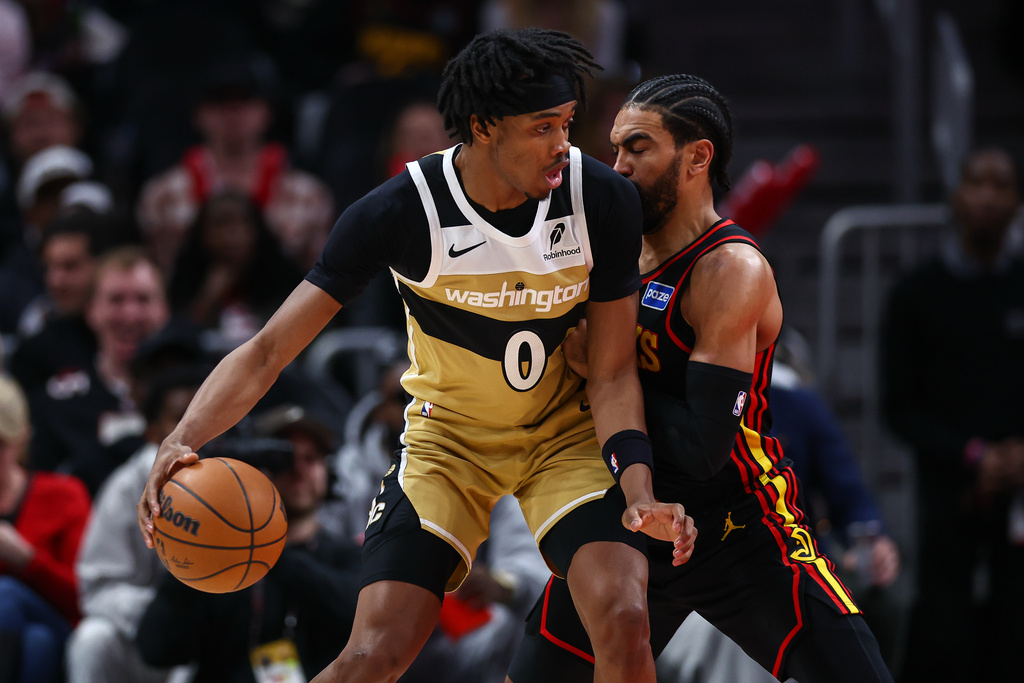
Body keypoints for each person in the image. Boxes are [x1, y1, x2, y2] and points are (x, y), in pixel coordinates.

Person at [137, 28, 695, 683]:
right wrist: (183, 436)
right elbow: (267, 352)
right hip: (449, 442)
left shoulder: (600, 198)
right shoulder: (402, 209)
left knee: (626, 618)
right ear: (484, 126)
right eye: (543, 127)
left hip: (563, 435)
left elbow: (611, 369)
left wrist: (637, 490)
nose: (563, 146)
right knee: (374, 654)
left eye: (568, 123)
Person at [508, 74, 893, 683]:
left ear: (697, 157)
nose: (618, 166)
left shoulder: (729, 270)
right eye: (614, 150)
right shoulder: (607, 250)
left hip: (738, 524)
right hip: (634, 513)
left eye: (637, 148)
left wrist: (605, 369)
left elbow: (702, 450)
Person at [879, 146, 1024, 683]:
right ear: (957, 196)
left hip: (1021, 488)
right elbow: (898, 405)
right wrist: (974, 455)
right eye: (977, 183)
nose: (988, 196)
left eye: (1001, 184)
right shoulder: (917, 296)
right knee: (947, 630)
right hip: (948, 489)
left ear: (1017, 202)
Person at [136, 406, 363, 683]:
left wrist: (261, 549)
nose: (298, 470)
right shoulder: (211, 557)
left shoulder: (347, 556)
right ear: (254, 466)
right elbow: (156, 649)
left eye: (311, 458)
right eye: (285, 458)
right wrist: (201, 513)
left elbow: (363, 623)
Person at [65, 366, 206, 683]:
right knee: (93, 639)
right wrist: (165, 613)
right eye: (180, 419)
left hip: (215, 640)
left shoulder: (234, 481)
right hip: (142, 639)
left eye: (206, 417)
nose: (197, 431)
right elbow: (97, 589)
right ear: (154, 432)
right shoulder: (126, 486)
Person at [27, 246, 170, 495]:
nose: (130, 313)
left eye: (143, 299)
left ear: (164, 310)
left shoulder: (196, 395)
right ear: (92, 311)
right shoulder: (57, 403)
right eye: (116, 299)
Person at [0, 372, 91, 683]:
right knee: (38, 643)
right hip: (38, 642)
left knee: (7, 594)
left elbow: (84, 597)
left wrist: (27, 560)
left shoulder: (63, 495)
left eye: (0, 444)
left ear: (21, 439)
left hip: (60, 623)